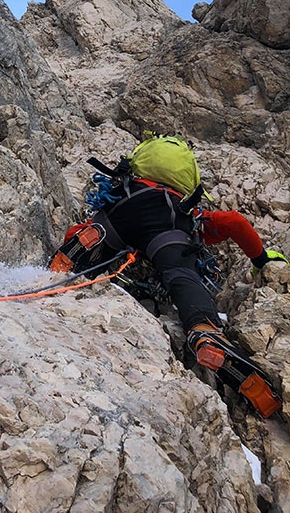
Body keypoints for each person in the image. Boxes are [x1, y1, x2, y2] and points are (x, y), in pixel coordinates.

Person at [50, 134, 288, 417]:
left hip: (122, 207)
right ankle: (205, 333)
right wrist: (261, 260)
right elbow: (235, 222)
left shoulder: (132, 183)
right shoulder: (189, 213)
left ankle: (78, 250)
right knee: (180, 274)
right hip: (167, 223)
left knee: (101, 234)